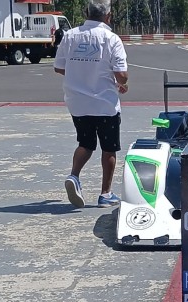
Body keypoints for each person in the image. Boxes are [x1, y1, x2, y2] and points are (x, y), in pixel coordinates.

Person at [53, 0, 128, 208]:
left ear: (86, 13)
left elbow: (59, 67)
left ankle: (74, 176)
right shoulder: (111, 39)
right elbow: (121, 74)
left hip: (77, 102)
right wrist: (121, 83)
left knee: (85, 144)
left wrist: (79, 74)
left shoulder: (70, 36)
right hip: (105, 103)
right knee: (109, 148)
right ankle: (105, 193)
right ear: (108, 16)